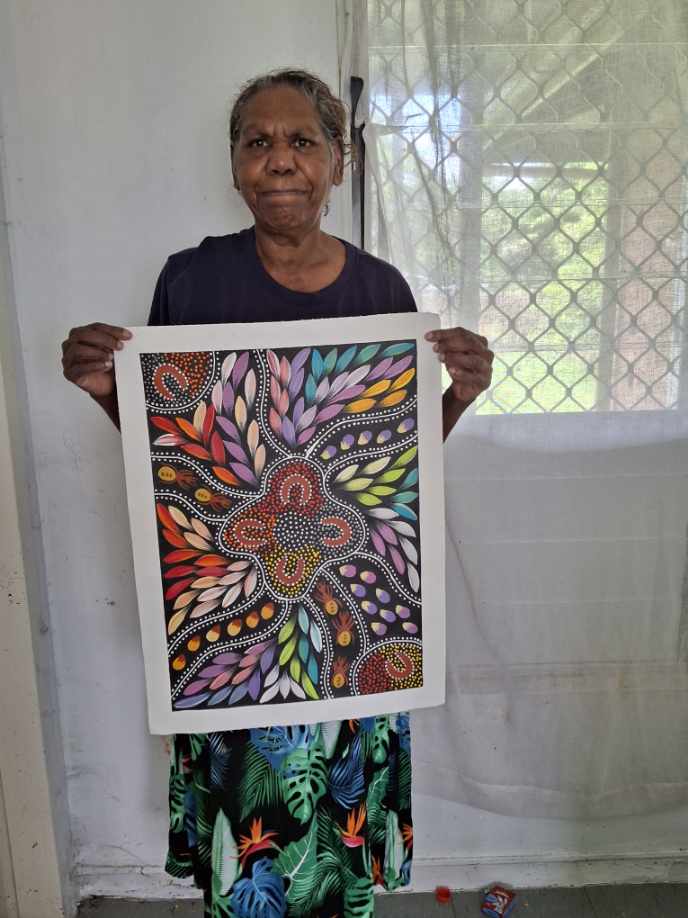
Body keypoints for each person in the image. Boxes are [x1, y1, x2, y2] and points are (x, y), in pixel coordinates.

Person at [61, 69, 493, 918]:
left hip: (349, 625)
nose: (280, 161)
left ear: (339, 161)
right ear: (234, 164)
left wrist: (457, 397)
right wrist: (108, 393)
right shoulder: (191, 285)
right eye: (258, 143)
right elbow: (176, 467)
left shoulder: (381, 295)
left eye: (302, 142)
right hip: (237, 633)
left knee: (336, 828)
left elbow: (396, 476)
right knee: (254, 824)